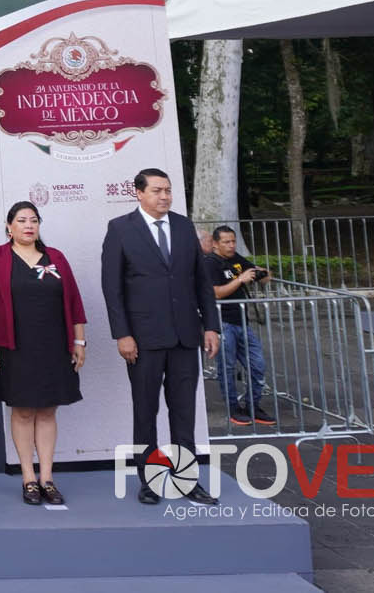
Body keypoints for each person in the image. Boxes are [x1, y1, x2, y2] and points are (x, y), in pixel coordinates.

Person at [100, 168, 220, 504]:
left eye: (168, 190)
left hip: (185, 336)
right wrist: (122, 334)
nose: (164, 196)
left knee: (184, 412)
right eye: (157, 190)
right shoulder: (121, 229)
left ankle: (187, 479)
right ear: (138, 193)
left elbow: (201, 282)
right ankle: (149, 480)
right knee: (145, 411)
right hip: (143, 338)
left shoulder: (183, 226)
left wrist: (210, 326)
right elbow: (113, 288)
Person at [0, 202, 87, 507]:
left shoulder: (56, 258)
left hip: (53, 347)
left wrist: (80, 342)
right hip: (14, 347)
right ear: (8, 226)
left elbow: (74, 302)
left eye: (33, 220)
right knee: (23, 411)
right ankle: (28, 478)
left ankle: (47, 478)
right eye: (21, 220)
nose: (28, 225)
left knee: (48, 410)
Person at [204, 226, 274, 426]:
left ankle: (253, 405)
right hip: (222, 321)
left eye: (233, 241)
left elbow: (265, 275)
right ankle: (233, 408)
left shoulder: (237, 260)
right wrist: (240, 280)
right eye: (226, 242)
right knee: (227, 367)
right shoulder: (209, 263)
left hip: (242, 320)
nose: (231, 245)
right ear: (215, 244)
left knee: (257, 364)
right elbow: (216, 293)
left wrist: (260, 274)